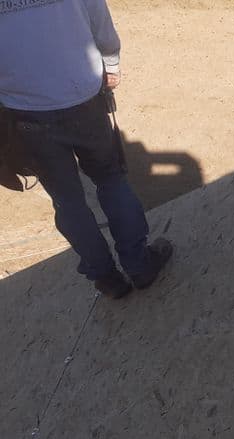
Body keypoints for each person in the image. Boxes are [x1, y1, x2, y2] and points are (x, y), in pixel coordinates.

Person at [0, 0, 172, 299]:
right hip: (82, 96)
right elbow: (98, 17)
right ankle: (139, 264)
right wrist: (111, 62)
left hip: (24, 109)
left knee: (67, 201)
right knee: (111, 180)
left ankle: (106, 279)